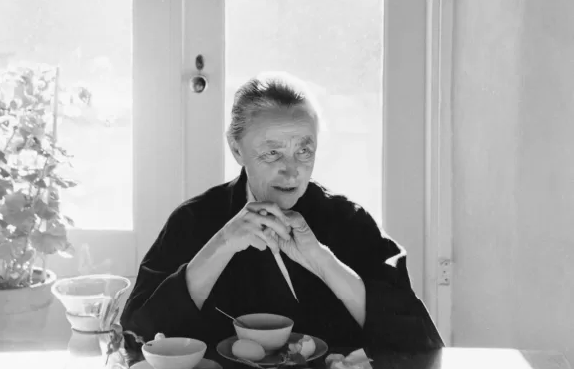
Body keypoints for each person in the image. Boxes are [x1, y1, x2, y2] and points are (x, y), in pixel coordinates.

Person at [121, 72, 443, 354]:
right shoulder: (193, 221)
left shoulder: (350, 222)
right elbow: (136, 338)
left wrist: (321, 259)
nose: (291, 173)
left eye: (304, 151)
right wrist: (222, 245)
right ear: (236, 149)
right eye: (272, 152)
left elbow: (422, 343)